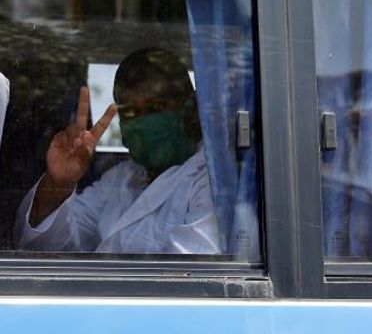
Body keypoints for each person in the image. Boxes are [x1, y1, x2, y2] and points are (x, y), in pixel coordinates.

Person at [14, 48, 221, 254]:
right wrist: (58, 184)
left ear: (190, 110)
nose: (142, 122)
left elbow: (191, 268)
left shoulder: (211, 182)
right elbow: (45, 249)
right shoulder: (121, 178)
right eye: (130, 112)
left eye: (156, 107)